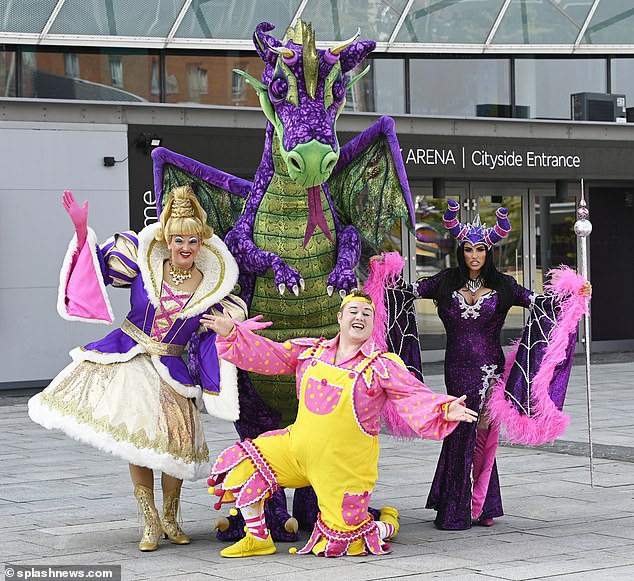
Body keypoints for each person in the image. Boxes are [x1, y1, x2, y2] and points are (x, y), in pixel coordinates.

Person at [28, 186, 246, 551]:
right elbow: (95, 270)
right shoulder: (141, 261)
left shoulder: (215, 289)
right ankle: (149, 520)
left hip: (172, 369)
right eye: (178, 239)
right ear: (167, 239)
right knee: (137, 441)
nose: (185, 247)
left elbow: (217, 339)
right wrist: (82, 233)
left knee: (174, 445)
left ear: (201, 242)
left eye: (192, 240)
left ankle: (171, 517)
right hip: (130, 358)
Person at [201, 290, 478, 558]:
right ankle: (258, 539)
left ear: (372, 323)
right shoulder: (312, 352)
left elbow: (412, 393)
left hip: (343, 468)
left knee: (346, 540)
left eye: (367, 314)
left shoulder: (380, 366)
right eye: (354, 311)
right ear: (340, 317)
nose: (360, 317)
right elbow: (270, 354)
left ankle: (386, 523)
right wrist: (231, 333)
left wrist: (444, 407)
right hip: (295, 450)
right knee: (243, 466)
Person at [374, 199, 591, 531]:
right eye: (468, 249)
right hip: (457, 370)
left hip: (491, 371)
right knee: (459, 432)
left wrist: (575, 292)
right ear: (461, 251)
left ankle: (480, 503)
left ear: (488, 252)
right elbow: (402, 292)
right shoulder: (444, 282)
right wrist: (381, 271)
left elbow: (542, 302)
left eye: (480, 249)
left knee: (485, 437)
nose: (474, 255)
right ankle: (456, 507)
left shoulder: (504, 285)